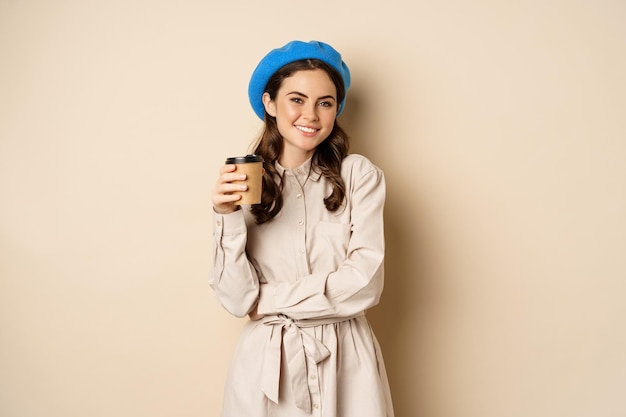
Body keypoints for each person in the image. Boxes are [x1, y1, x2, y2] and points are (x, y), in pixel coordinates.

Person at [209, 40, 394, 417]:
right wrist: (225, 215)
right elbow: (235, 299)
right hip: (266, 367)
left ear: (335, 110)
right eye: (296, 99)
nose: (310, 114)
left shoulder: (358, 175)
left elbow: (365, 282)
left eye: (325, 102)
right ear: (270, 102)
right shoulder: (245, 182)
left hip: (347, 361)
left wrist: (268, 301)